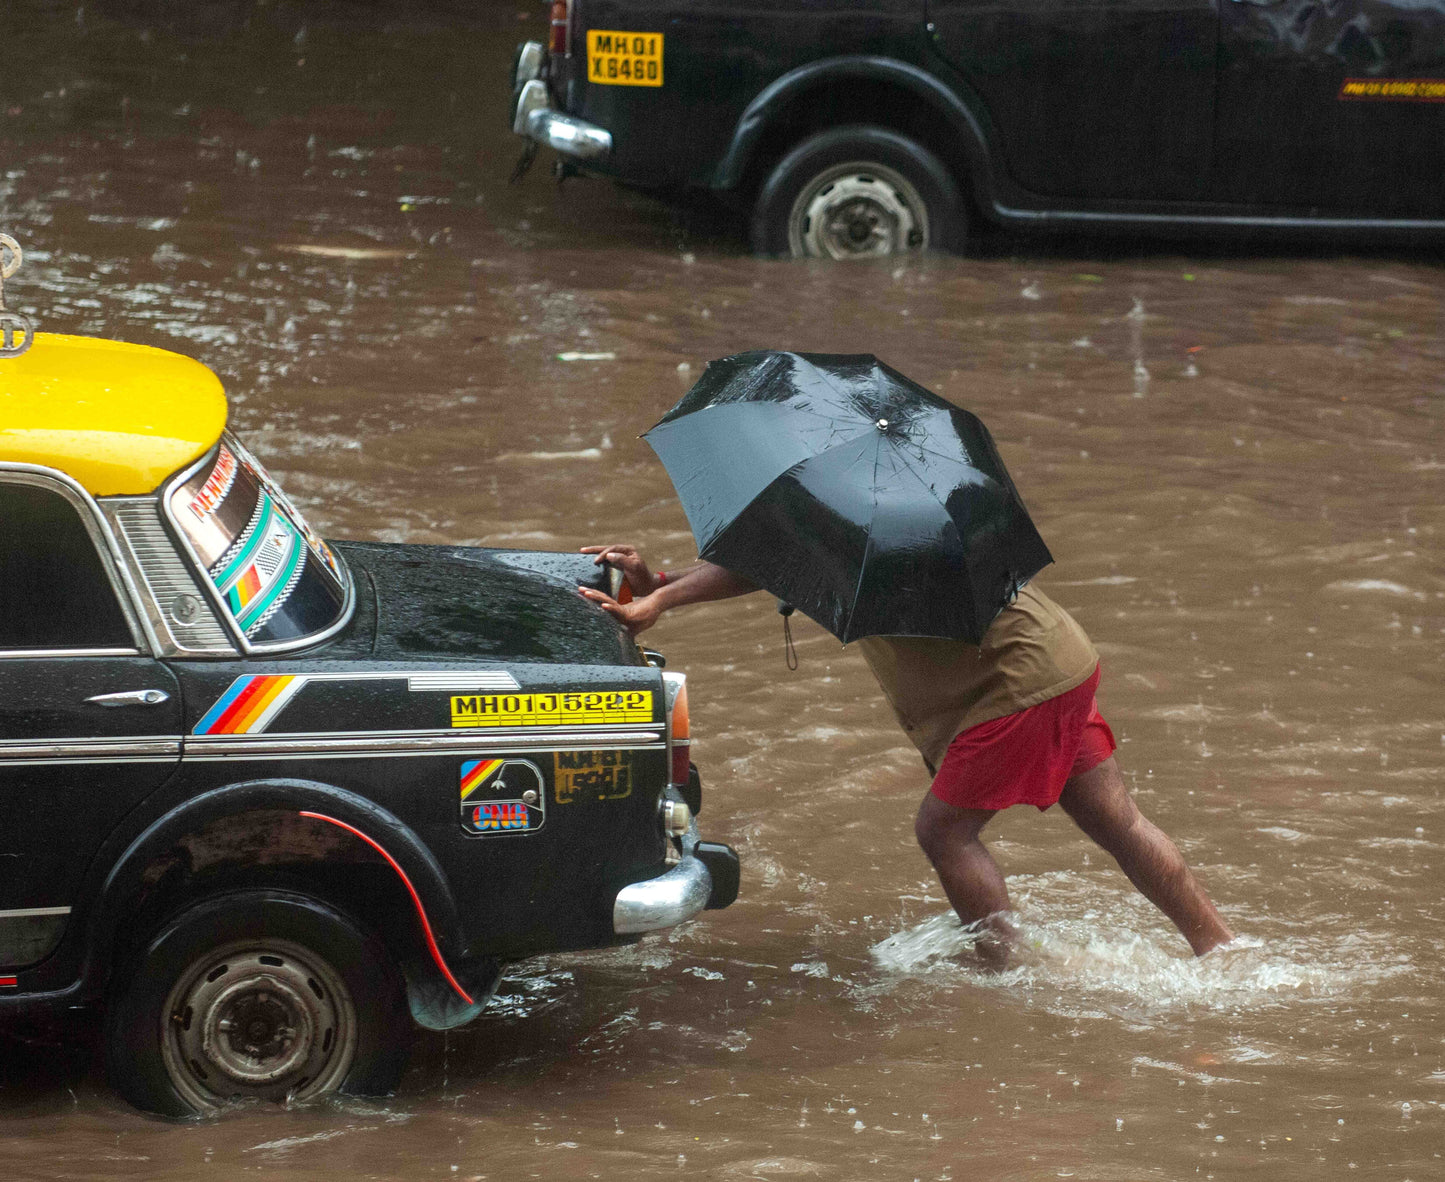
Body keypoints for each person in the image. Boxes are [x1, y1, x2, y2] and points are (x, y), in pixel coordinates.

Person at [578, 544, 1233, 967]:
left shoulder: (858, 520)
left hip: (1013, 679)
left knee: (943, 831)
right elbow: (779, 562)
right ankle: (1221, 951)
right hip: (1059, 657)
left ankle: (1003, 971)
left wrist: (663, 596)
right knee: (1117, 821)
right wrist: (661, 585)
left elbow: (783, 558)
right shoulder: (888, 505)